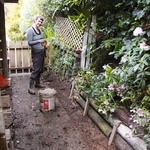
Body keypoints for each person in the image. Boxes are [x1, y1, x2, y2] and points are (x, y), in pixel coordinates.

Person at [26, 15, 46, 95]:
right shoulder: (30, 30)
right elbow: (30, 42)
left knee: (40, 69)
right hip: (36, 53)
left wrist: (43, 43)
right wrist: (39, 41)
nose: (40, 23)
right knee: (36, 69)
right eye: (39, 21)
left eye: (41, 22)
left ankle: (37, 83)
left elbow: (40, 39)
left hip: (41, 52)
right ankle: (30, 87)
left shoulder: (39, 30)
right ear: (35, 20)